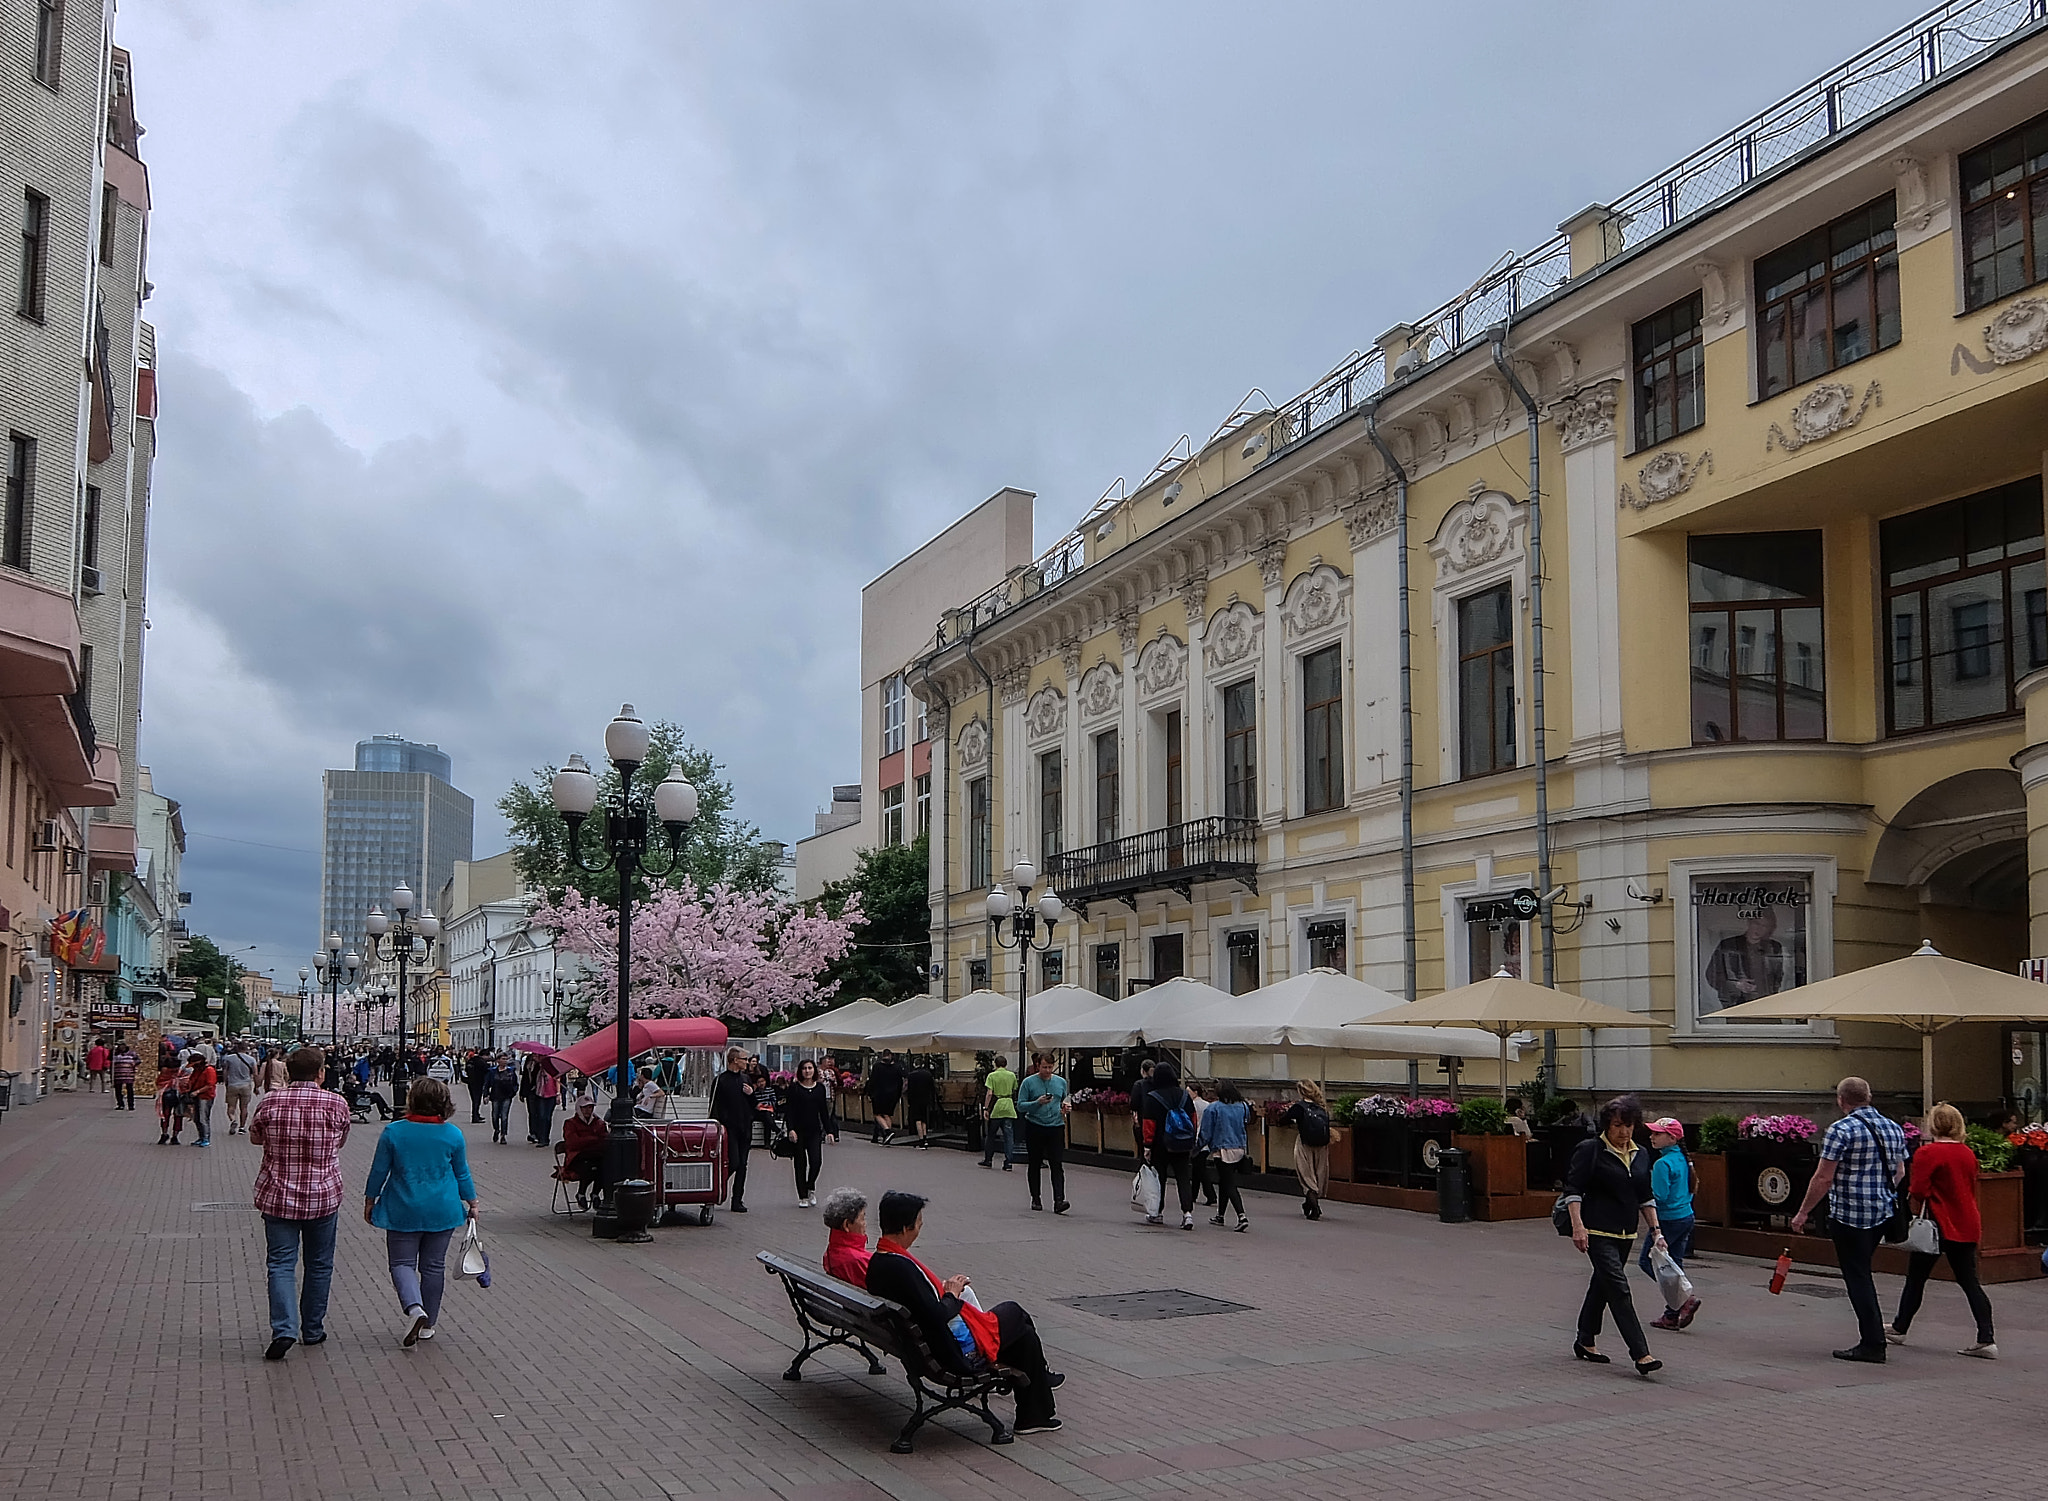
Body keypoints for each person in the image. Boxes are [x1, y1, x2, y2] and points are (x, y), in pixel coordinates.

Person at [863, 1191, 1063, 1435]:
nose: (919, 1230)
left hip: (920, 1345)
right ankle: (1035, 1405)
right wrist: (952, 1293)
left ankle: (1036, 1403)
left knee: (1025, 1337)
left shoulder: (879, 1262)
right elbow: (936, 1314)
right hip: (950, 1354)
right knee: (1016, 1314)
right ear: (906, 1228)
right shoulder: (900, 1267)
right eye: (918, 1225)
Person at [1790, 1076, 1908, 1363]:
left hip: (1849, 1213)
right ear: (1869, 1097)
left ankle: (1872, 1342)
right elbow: (1901, 1172)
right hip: (1881, 1211)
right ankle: (1874, 1338)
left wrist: (1804, 1212)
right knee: (1863, 1270)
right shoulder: (1893, 1128)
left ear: (1841, 1100)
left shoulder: (1840, 1130)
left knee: (1858, 1277)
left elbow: (1824, 1177)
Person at [249, 1045, 352, 1361]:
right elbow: (341, 1141)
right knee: (319, 1264)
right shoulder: (336, 1103)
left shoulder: (271, 1101)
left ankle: (283, 1329)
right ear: (321, 1073)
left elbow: (255, 1137)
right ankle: (312, 1328)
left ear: (288, 1072)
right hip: (322, 1196)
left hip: (278, 1195)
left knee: (280, 1263)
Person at [364, 1078, 476, 1349]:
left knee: (402, 1263)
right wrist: (471, 1201)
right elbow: (461, 1172)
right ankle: (429, 1324)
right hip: (443, 1207)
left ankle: (414, 1308)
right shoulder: (452, 1134)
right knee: (433, 1266)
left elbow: (380, 1170)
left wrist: (370, 1199)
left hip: (403, 1207)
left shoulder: (394, 1132)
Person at [1561, 1094, 1665, 1378]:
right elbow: (1573, 1190)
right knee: (1619, 1289)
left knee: (1602, 1285)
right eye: (1618, 1125)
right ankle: (1641, 1354)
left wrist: (1656, 1232)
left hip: (1626, 1233)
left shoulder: (1641, 1154)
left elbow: (1645, 1196)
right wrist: (1578, 1226)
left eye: (1629, 1125)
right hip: (1596, 1231)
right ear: (1607, 1124)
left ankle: (1585, 1338)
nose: (1624, 1132)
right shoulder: (1591, 1150)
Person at [1887, 1102, 1997, 1358]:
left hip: (1937, 1223)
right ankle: (1986, 1337)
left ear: (1932, 1124)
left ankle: (1900, 1327)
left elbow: (1918, 1190)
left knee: (1916, 1278)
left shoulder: (1928, 1153)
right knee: (1970, 1281)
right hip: (1967, 1221)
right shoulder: (1967, 1153)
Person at [1640, 1116, 1701, 1330]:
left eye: (1658, 1134)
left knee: (1650, 1263)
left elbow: (1659, 1196)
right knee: (1674, 1263)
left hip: (1667, 1220)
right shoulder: (1682, 1159)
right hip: (1685, 1216)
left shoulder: (1662, 1164)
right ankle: (1672, 1314)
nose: (1652, 1137)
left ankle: (1685, 1300)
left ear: (1672, 1138)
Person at [1139, 1061, 1200, 1230]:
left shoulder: (1153, 1097)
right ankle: (1187, 1213)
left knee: (1160, 1178)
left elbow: (1149, 1124)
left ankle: (1157, 1212)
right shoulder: (1184, 1095)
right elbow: (1193, 1119)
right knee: (1183, 1177)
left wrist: (1147, 1146)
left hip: (1160, 1145)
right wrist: (1191, 1138)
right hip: (1182, 1142)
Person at [1016, 1051, 1071, 1215]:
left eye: (1050, 1067)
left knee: (1057, 1163)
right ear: (1037, 1066)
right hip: (1035, 1125)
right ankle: (1036, 1198)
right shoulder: (1028, 1083)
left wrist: (1065, 1107)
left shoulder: (1061, 1082)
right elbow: (1020, 1105)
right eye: (1044, 1067)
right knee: (1035, 1162)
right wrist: (1037, 1102)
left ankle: (1059, 1200)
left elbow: (1064, 1099)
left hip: (1056, 1125)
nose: (1047, 1070)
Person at [1703, 909, 1785, 1011]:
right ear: (1749, 922)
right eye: (1756, 923)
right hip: (1737, 1005)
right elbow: (1712, 974)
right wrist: (1736, 984)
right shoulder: (1728, 945)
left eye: (1764, 926)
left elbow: (1778, 976)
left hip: (1767, 1005)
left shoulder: (1774, 947)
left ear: (1769, 929)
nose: (1759, 928)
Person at [1197, 1080, 1252, 1231]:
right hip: (1239, 1147)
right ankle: (1220, 1215)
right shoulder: (1243, 1107)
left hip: (1222, 1149)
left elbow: (1206, 1133)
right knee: (1224, 1181)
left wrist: (1197, 1148)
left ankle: (1241, 1215)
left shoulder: (1214, 1108)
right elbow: (1246, 1123)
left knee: (1228, 1183)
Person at [783, 1059, 838, 1207]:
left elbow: (824, 1112)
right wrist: (791, 1129)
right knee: (800, 1164)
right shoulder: (794, 1088)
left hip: (814, 1131)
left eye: (810, 1068)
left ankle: (810, 1186)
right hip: (798, 1131)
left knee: (816, 1162)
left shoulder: (820, 1089)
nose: (807, 1071)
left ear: (814, 1070)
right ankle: (802, 1196)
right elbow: (790, 1111)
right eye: (804, 1068)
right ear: (800, 1071)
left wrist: (829, 1131)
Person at [710, 1048, 758, 1213]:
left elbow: (754, 1105)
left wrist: (752, 1094)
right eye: (744, 1059)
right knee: (734, 1162)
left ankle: (737, 1199)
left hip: (745, 1127)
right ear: (735, 1060)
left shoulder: (745, 1079)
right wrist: (717, 1126)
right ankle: (716, 1185)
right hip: (728, 1128)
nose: (747, 1062)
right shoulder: (720, 1081)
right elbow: (714, 1107)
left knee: (743, 1165)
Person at [1282, 1079, 1333, 1220]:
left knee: (1306, 1174)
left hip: (1304, 1143)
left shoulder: (1299, 1107)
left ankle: (1314, 1205)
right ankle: (1309, 1203)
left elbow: (1283, 1120)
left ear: (1301, 1091)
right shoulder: (1321, 1107)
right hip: (1322, 1146)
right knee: (1319, 1173)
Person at [560, 1094, 609, 1210]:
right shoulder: (570, 1123)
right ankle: (582, 1193)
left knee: (605, 1167)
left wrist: (587, 1140)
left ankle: (595, 1193)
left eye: (590, 1107)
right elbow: (573, 1143)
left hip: (596, 1156)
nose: (588, 1110)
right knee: (590, 1167)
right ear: (579, 1109)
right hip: (577, 1158)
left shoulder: (599, 1122)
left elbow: (604, 1140)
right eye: (585, 1107)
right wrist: (593, 1139)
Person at [820, 1186, 871, 1285]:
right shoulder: (859, 1261)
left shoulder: (831, 1252)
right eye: (862, 1218)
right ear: (847, 1225)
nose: (865, 1224)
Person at [980, 1055, 1019, 1170]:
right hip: (1008, 1105)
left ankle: (988, 1159)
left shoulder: (992, 1076)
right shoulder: (1011, 1075)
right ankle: (1008, 1162)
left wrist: (986, 1108)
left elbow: (990, 1093)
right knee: (1008, 1136)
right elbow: (1014, 1089)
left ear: (995, 1064)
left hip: (997, 1107)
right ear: (1006, 1064)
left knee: (991, 1135)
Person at [219, 1042, 258, 1136]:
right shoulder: (251, 1059)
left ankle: (233, 1120)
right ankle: (242, 1127)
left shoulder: (229, 1058)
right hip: (246, 1085)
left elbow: (225, 1071)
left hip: (232, 1085)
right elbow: (255, 1073)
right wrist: (256, 1087)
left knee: (231, 1107)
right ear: (246, 1048)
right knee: (244, 1107)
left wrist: (225, 1082)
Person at [866, 1051, 904, 1144]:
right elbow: (900, 1082)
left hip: (879, 1094)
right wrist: (898, 1094)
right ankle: (887, 1137)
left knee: (877, 1114)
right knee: (887, 1114)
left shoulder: (877, 1067)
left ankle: (888, 1131)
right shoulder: (897, 1067)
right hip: (892, 1095)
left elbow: (872, 1081)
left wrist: (869, 1093)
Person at [184, 1047, 218, 1148]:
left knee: (203, 1118)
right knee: (197, 1118)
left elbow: (210, 1084)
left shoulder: (209, 1070)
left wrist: (197, 1091)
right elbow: (192, 1080)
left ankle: (206, 1138)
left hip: (205, 1097)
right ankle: (201, 1137)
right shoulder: (197, 1071)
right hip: (196, 1095)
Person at [526, 1055, 559, 1147]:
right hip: (540, 1094)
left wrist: (558, 1094)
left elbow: (558, 1080)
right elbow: (530, 1078)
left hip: (551, 1095)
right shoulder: (537, 1069)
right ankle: (541, 1138)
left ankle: (546, 1138)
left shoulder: (552, 1069)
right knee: (541, 1116)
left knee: (547, 1117)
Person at [487, 1054, 519, 1143]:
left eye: (506, 1059)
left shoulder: (511, 1071)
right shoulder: (492, 1071)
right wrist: (486, 1094)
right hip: (495, 1096)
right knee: (495, 1115)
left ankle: (503, 1135)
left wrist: (513, 1092)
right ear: (498, 1060)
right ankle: (496, 1130)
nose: (505, 1061)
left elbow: (515, 1083)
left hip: (507, 1096)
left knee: (504, 1116)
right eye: (503, 1059)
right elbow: (487, 1083)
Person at [904, 1062, 937, 1150]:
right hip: (925, 1099)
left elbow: (909, 1090)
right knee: (923, 1119)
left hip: (915, 1100)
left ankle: (921, 1139)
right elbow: (932, 1088)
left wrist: (909, 1101)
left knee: (917, 1119)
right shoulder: (927, 1074)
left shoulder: (911, 1075)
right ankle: (925, 1137)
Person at [156, 1052, 184, 1143]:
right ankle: (175, 1136)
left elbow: (158, 1083)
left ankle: (164, 1133)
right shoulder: (181, 1073)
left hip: (165, 1095)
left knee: (165, 1115)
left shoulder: (164, 1073)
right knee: (178, 1115)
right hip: (178, 1096)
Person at [110, 1041, 138, 1110]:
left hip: (129, 1074)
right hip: (118, 1074)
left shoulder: (132, 1053)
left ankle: (131, 1105)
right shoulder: (115, 1054)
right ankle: (120, 1104)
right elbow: (110, 1059)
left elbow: (138, 1060)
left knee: (130, 1090)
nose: (121, 1047)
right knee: (118, 1090)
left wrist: (134, 1064)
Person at [463, 1049, 489, 1123]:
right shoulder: (481, 1062)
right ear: (484, 1055)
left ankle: (476, 1114)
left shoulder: (470, 1061)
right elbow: (486, 1071)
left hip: (470, 1083)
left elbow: (466, 1070)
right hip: (478, 1083)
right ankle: (475, 1116)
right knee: (476, 1100)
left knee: (474, 1100)